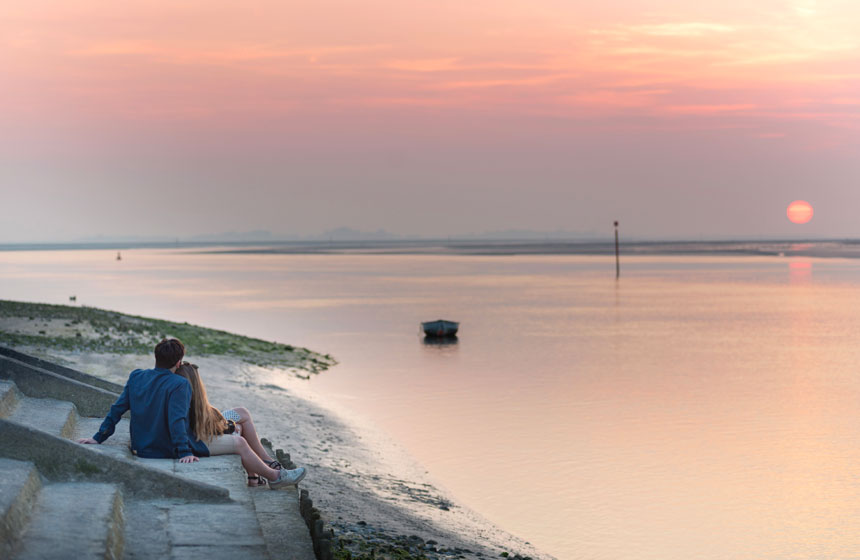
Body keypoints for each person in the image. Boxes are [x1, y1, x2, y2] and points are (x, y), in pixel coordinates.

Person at [174, 361, 306, 488]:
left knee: (242, 413)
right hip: (200, 433)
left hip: (207, 426)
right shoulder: (188, 401)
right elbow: (207, 427)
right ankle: (271, 472)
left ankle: (257, 472)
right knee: (239, 429)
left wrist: (228, 425)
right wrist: (230, 427)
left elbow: (208, 421)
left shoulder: (191, 401)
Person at [77, 338, 202, 463]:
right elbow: (177, 420)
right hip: (166, 450)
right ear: (178, 363)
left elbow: (117, 408)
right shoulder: (180, 384)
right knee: (217, 440)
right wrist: (184, 452)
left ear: (156, 357)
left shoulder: (136, 376)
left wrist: (99, 437)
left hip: (140, 448)